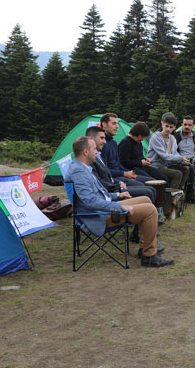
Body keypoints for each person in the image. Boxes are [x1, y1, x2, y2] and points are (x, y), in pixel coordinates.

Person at [65, 136, 174, 267]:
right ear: (85, 151)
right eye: (94, 149)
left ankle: (145, 247)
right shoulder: (79, 171)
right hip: (99, 216)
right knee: (150, 210)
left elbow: (98, 194)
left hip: (103, 209)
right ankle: (149, 256)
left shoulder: (81, 167)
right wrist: (118, 206)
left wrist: (118, 194)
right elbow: (90, 201)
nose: (97, 152)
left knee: (146, 199)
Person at [86, 126, 156, 204]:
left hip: (116, 182)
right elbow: (99, 182)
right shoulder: (90, 159)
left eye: (104, 138)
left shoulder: (99, 153)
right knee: (148, 190)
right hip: (112, 189)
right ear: (91, 139)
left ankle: (155, 212)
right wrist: (119, 184)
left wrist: (127, 174)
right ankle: (150, 213)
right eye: (102, 138)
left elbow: (112, 171)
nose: (105, 142)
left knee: (151, 187)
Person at [99, 112, 154, 184]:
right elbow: (104, 170)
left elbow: (118, 164)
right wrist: (124, 173)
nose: (117, 126)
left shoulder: (113, 142)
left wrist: (127, 172)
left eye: (117, 123)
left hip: (122, 174)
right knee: (149, 186)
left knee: (154, 181)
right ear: (104, 124)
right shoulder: (102, 144)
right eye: (113, 123)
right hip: (113, 179)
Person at [147, 114, 192, 191]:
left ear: (174, 127)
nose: (168, 129)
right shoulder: (156, 137)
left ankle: (178, 191)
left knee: (186, 169)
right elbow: (164, 156)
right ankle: (170, 195)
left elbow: (175, 154)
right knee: (177, 174)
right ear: (162, 123)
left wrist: (184, 160)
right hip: (155, 166)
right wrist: (181, 158)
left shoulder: (172, 138)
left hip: (166, 165)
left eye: (171, 127)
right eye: (166, 126)